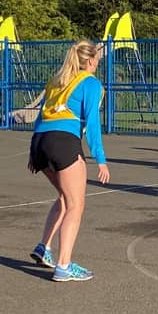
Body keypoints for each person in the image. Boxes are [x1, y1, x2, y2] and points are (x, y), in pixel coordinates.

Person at [28, 40, 110, 281]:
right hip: (62, 141)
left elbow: (42, 114)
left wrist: (33, 152)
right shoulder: (91, 83)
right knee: (76, 204)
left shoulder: (57, 80)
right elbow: (92, 122)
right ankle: (63, 266)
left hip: (40, 141)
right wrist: (101, 159)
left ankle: (44, 247)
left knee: (65, 197)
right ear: (92, 61)